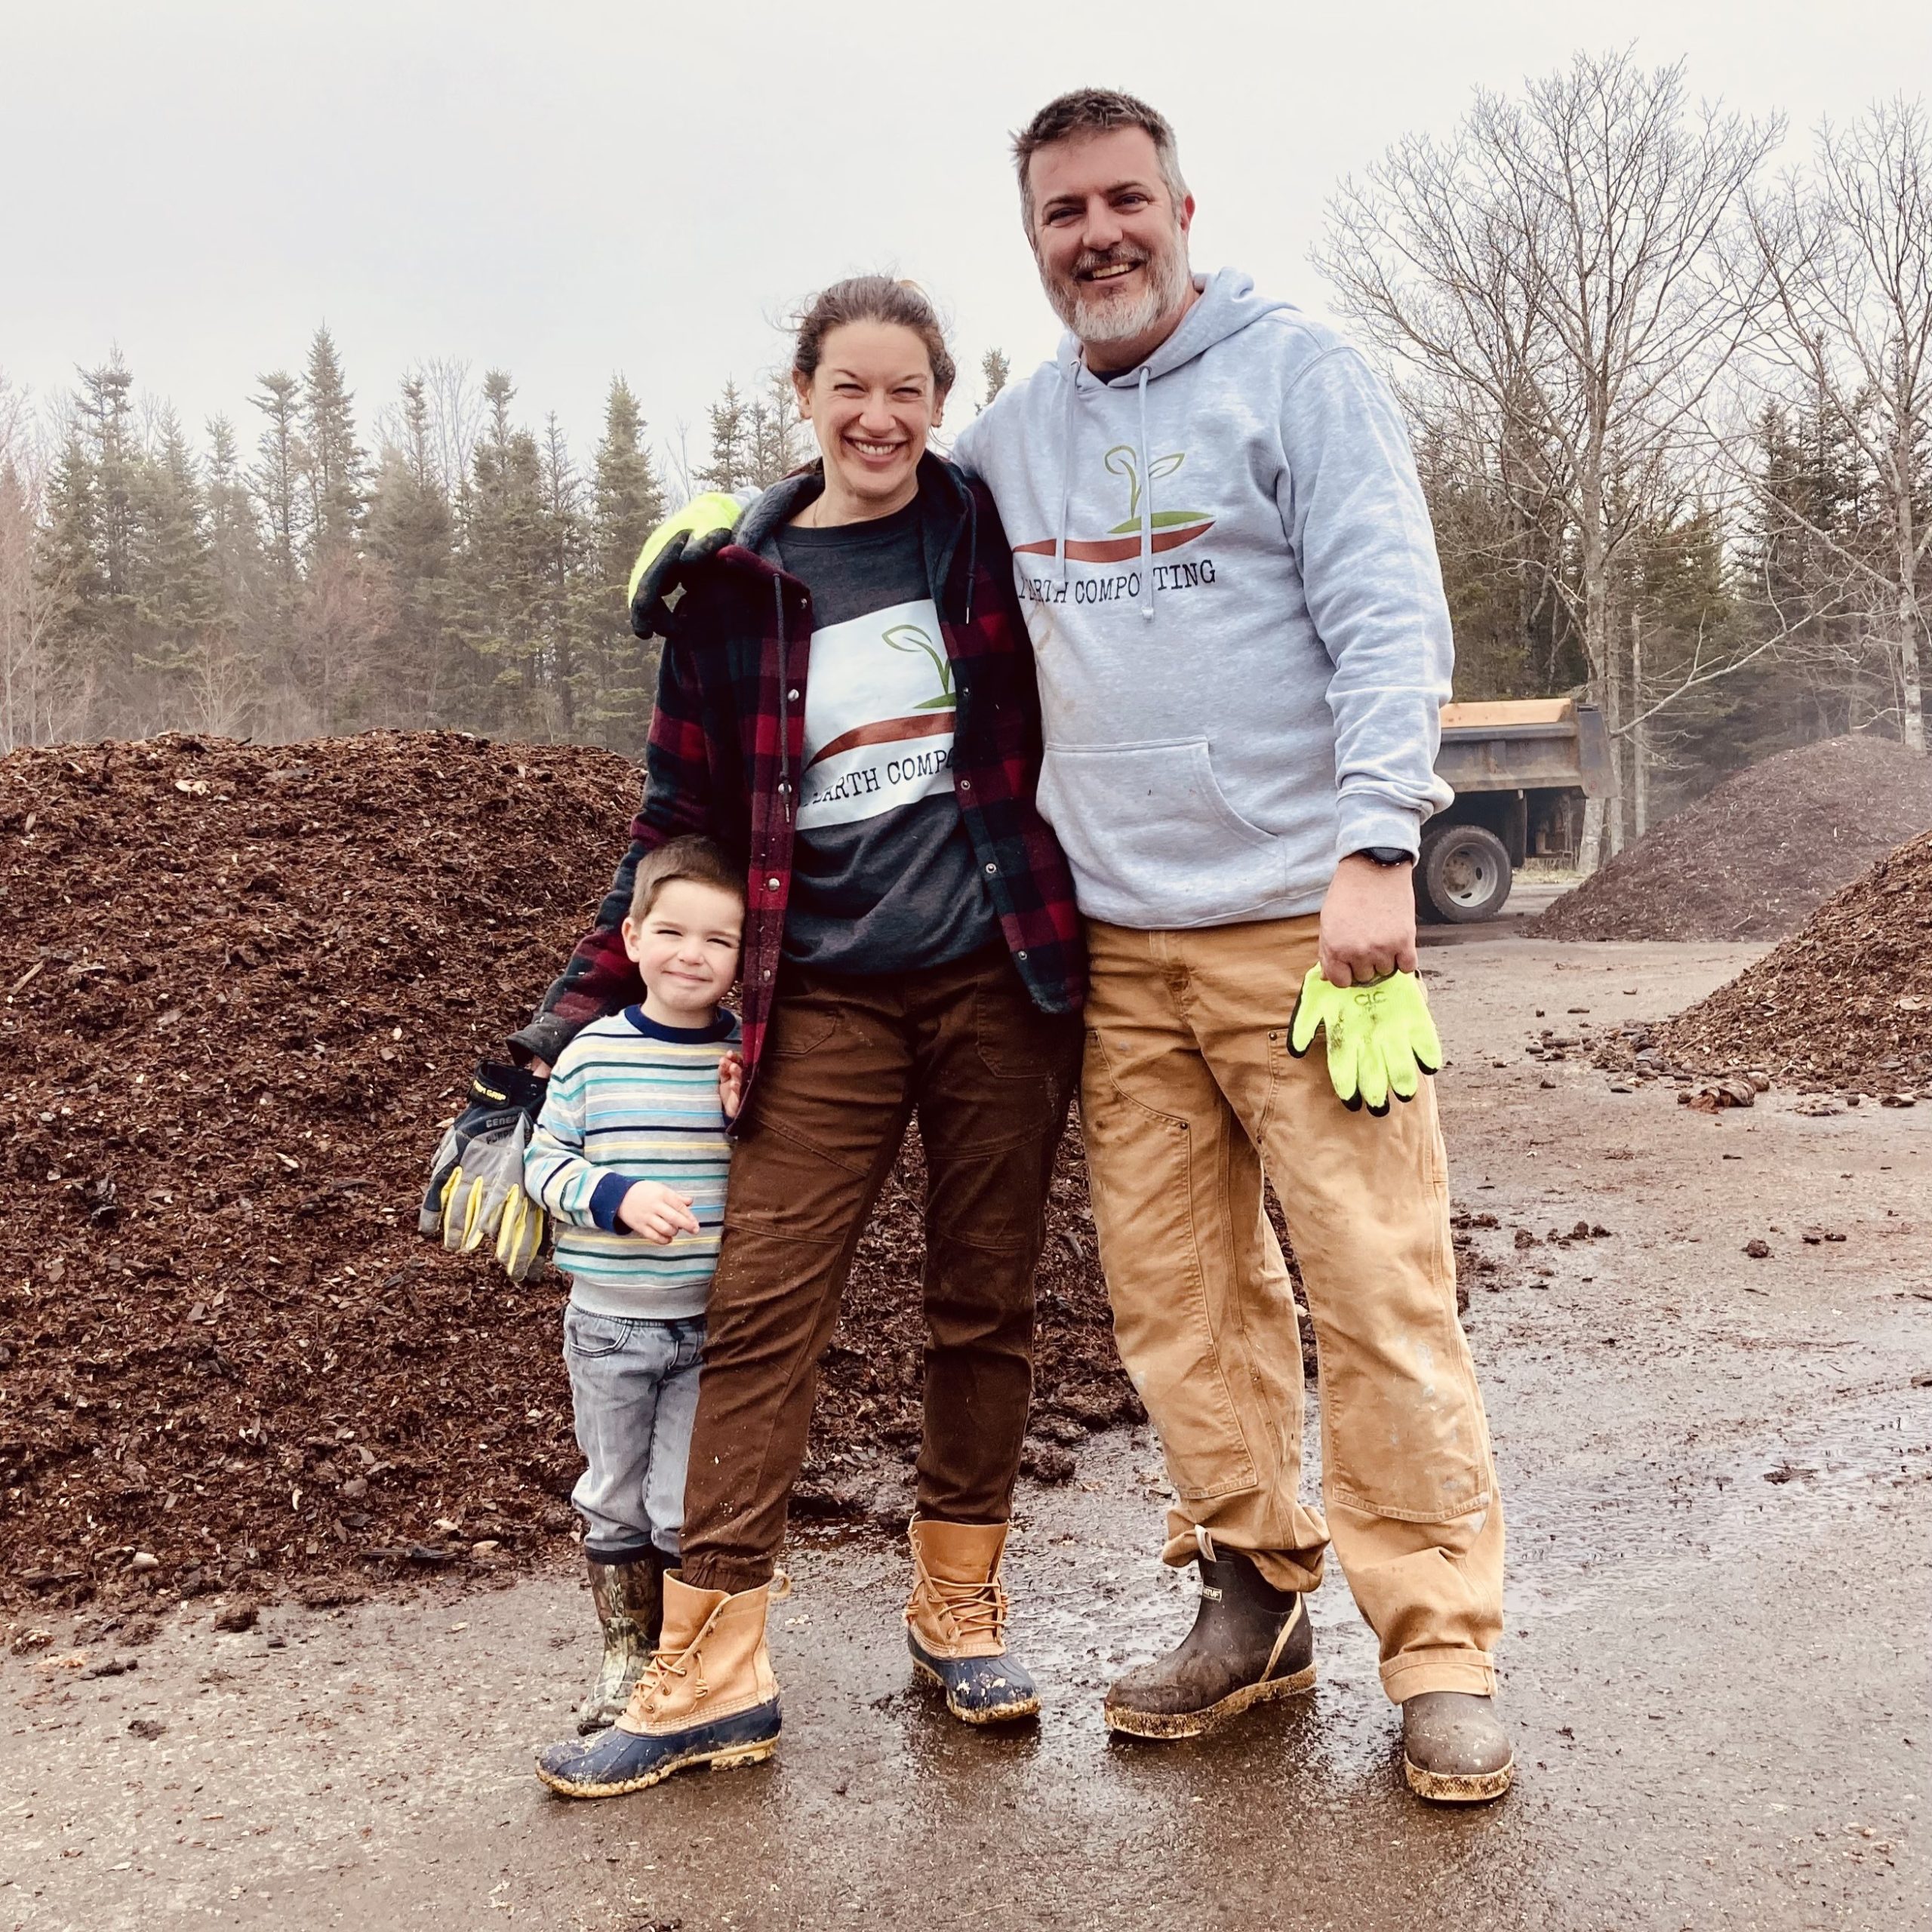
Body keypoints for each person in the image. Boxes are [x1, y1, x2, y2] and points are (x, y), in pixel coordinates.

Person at [625, 90, 1512, 1804]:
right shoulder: (1017, 442)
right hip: (1108, 946)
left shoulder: (1294, 378)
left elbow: (1386, 609)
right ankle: (1251, 1594)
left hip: (1305, 932)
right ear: (1031, 241)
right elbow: (865, 504)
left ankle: (1440, 1650)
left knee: (1376, 1292)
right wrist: (723, 537)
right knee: (1182, 1307)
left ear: (1182, 204)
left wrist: (1377, 843)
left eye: (1122, 200)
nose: (1095, 234)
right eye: (1060, 214)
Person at [524, 276, 1085, 1800]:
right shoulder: (732, 587)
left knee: (982, 1303)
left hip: (992, 976)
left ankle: (955, 1605)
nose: (878, 416)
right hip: (818, 993)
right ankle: (713, 1664)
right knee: (762, 1304)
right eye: (850, 384)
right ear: (801, 391)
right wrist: (558, 1028)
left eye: (907, 388)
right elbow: (677, 817)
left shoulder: (986, 535)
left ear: (939, 398)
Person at [520, 835, 745, 1735]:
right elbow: (544, 1166)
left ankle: (683, 1660)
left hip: (709, 1323)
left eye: (719, 941)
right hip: (610, 1322)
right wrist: (615, 1197)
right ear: (636, 939)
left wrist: (743, 1123)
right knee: (612, 1488)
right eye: (674, 932)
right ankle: (624, 1652)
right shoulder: (591, 1055)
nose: (694, 954)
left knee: (680, 1498)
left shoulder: (744, 1057)